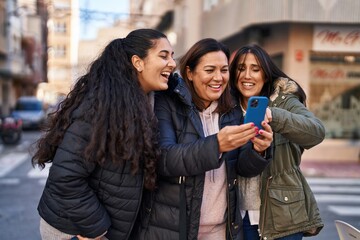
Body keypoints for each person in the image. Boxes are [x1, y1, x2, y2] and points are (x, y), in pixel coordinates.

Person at [31, 28, 176, 240]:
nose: (172, 63)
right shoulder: (100, 107)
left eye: (172, 56)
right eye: (163, 56)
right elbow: (66, 178)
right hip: (75, 231)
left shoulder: (144, 102)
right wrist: (97, 229)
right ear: (138, 62)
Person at [133, 38, 273, 240]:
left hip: (222, 230)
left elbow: (242, 168)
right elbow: (164, 159)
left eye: (224, 70)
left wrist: (259, 150)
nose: (218, 78)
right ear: (189, 73)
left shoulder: (232, 110)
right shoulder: (167, 103)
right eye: (209, 70)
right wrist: (216, 145)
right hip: (175, 229)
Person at [229, 43, 325, 240]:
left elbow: (316, 132)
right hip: (240, 216)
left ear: (265, 75)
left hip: (284, 214)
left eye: (255, 69)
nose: (247, 75)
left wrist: (274, 116)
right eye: (241, 68)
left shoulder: (283, 101)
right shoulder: (228, 107)